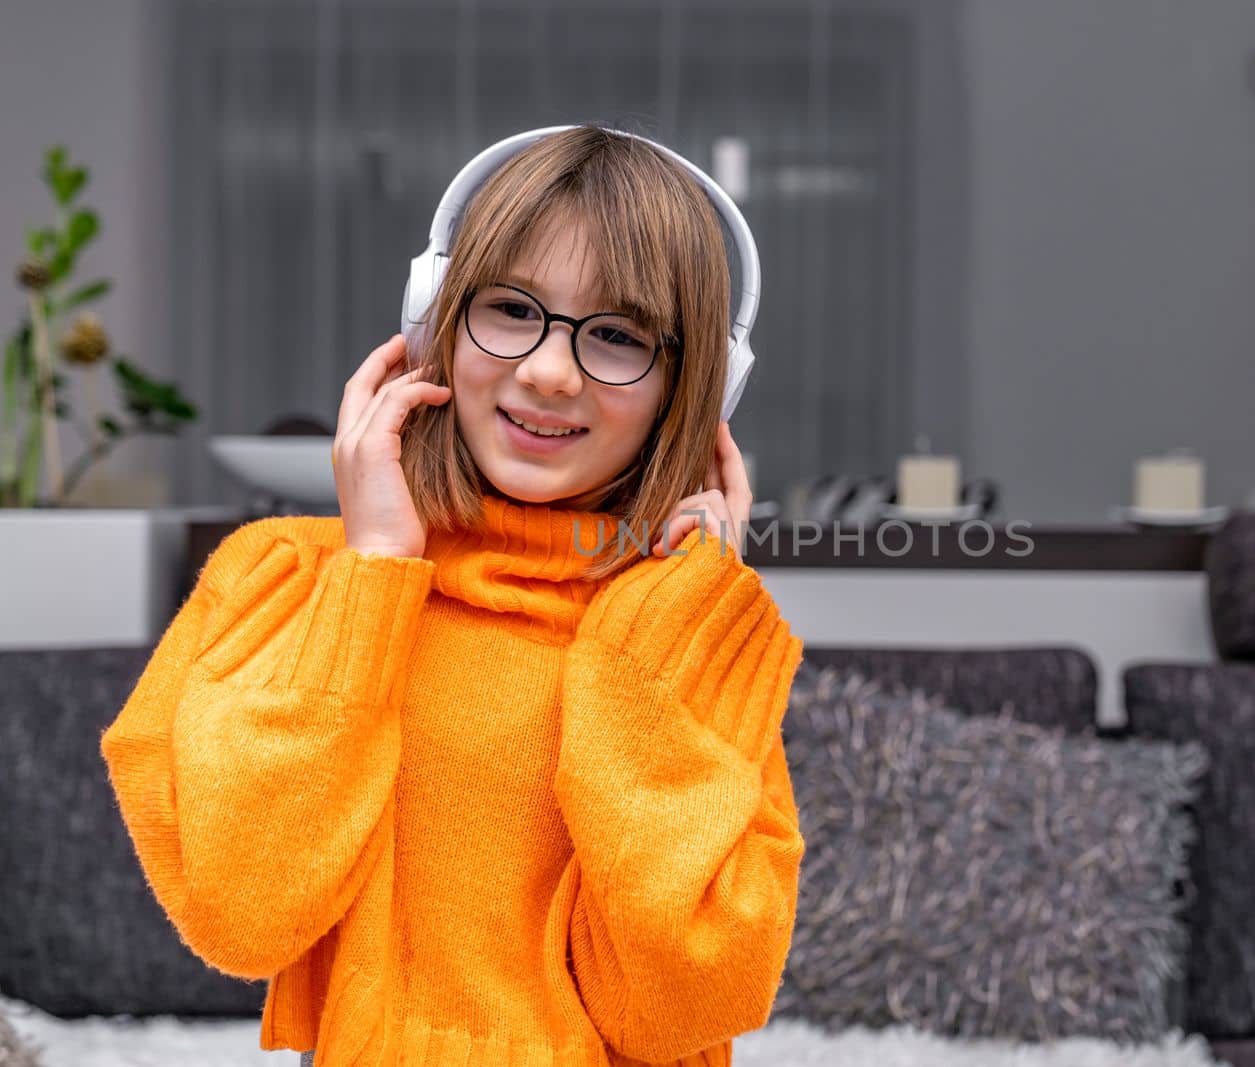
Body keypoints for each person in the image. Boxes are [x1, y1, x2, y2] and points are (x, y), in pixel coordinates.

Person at [99, 125, 805, 1067]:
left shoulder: (684, 639)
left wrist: (665, 645)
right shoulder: (283, 580)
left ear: (695, 389)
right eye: (512, 309)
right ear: (435, 316)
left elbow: (677, 1006)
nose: (550, 371)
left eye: (619, 335)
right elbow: (243, 916)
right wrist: (377, 571)